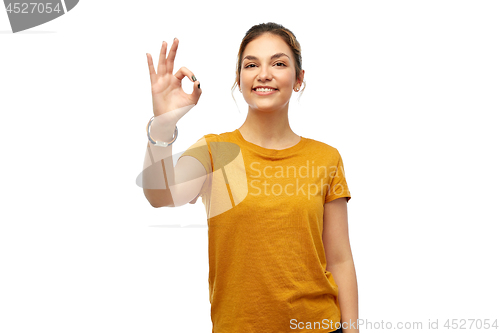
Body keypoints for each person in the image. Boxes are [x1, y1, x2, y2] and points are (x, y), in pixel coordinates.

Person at [140, 22, 359, 333]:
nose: (264, 73)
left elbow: (340, 260)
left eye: (279, 63)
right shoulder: (214, 151)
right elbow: (159, 196)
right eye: (251, 64)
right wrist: (163, 124)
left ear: (298, 79)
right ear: (239, 79)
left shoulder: (326, 158)